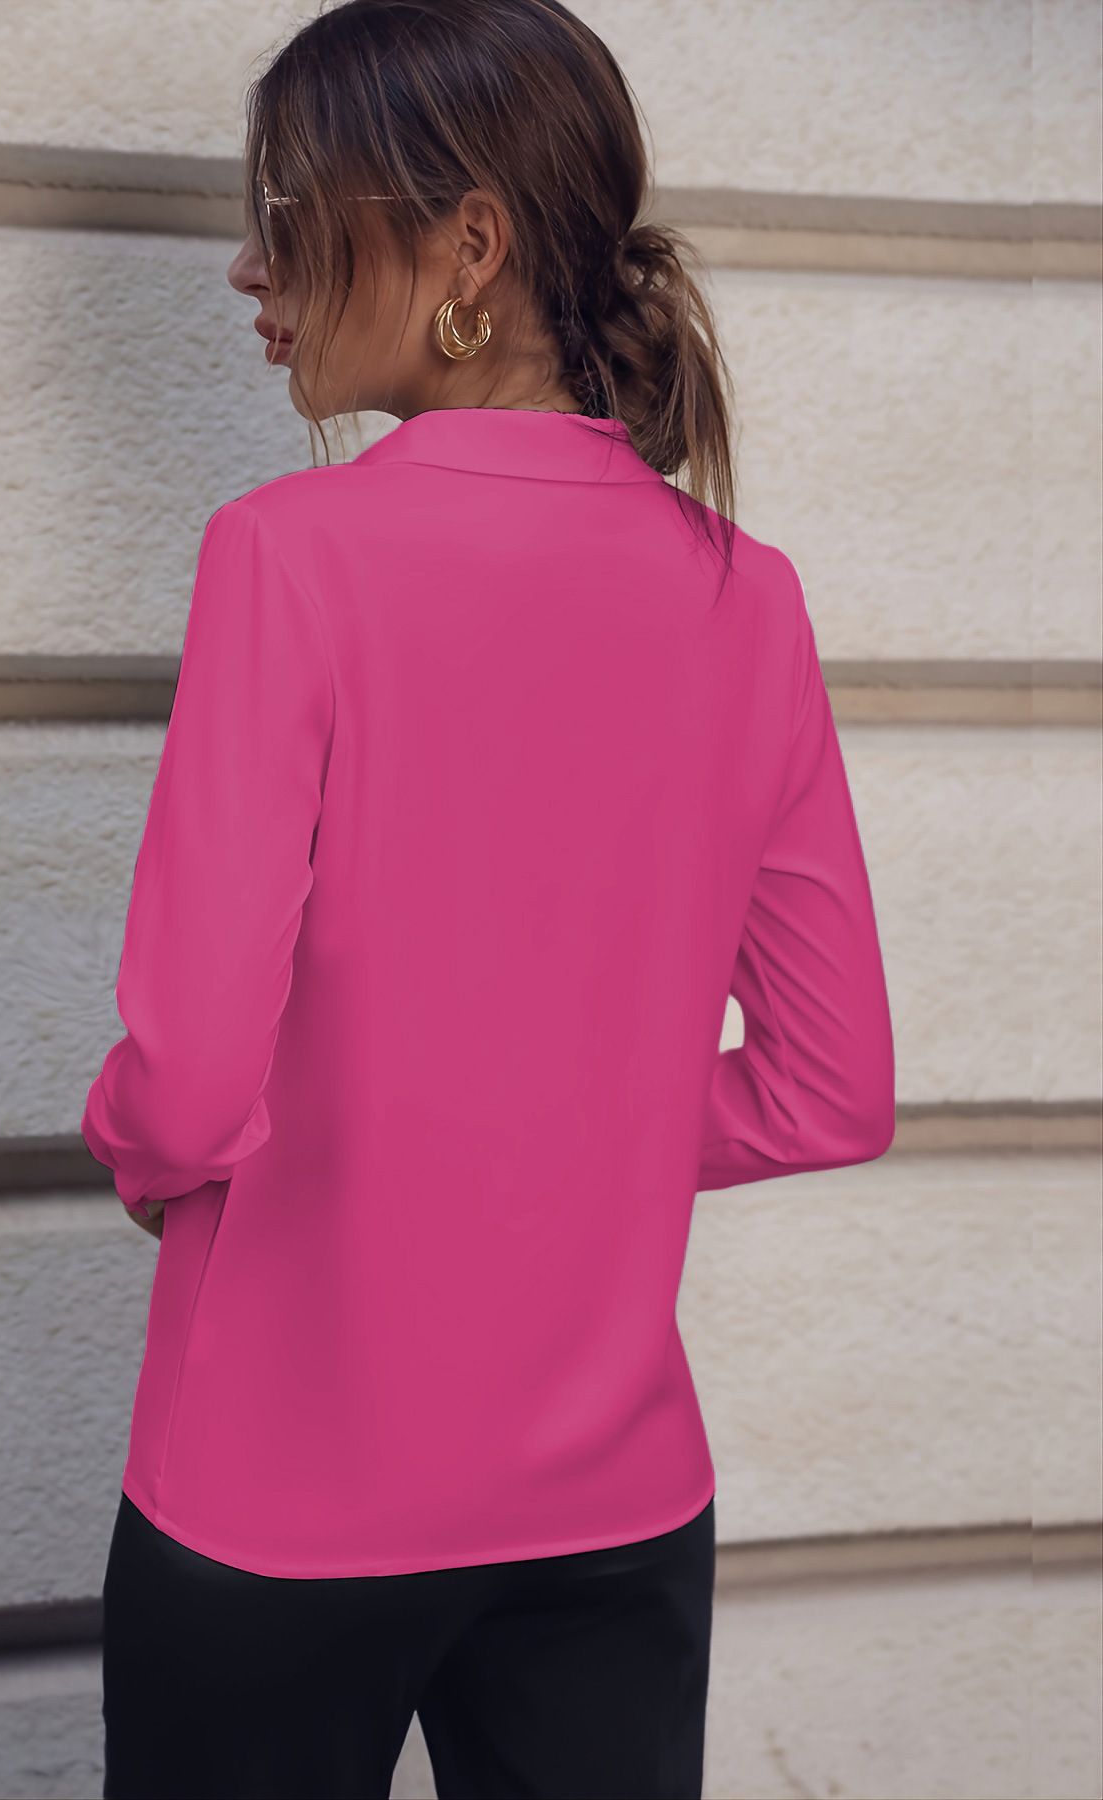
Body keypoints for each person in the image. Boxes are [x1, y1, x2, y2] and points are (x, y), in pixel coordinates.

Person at [81, 1, 896, 1794]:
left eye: (286, 213)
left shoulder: (286, 558)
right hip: (613, 1511)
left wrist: (136, 1143)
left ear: (469, 246)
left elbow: (189, 1089)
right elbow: (831, 1090)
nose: (248, 269)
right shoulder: (746, 594)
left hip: (278, 1508)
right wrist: (574, 1137)